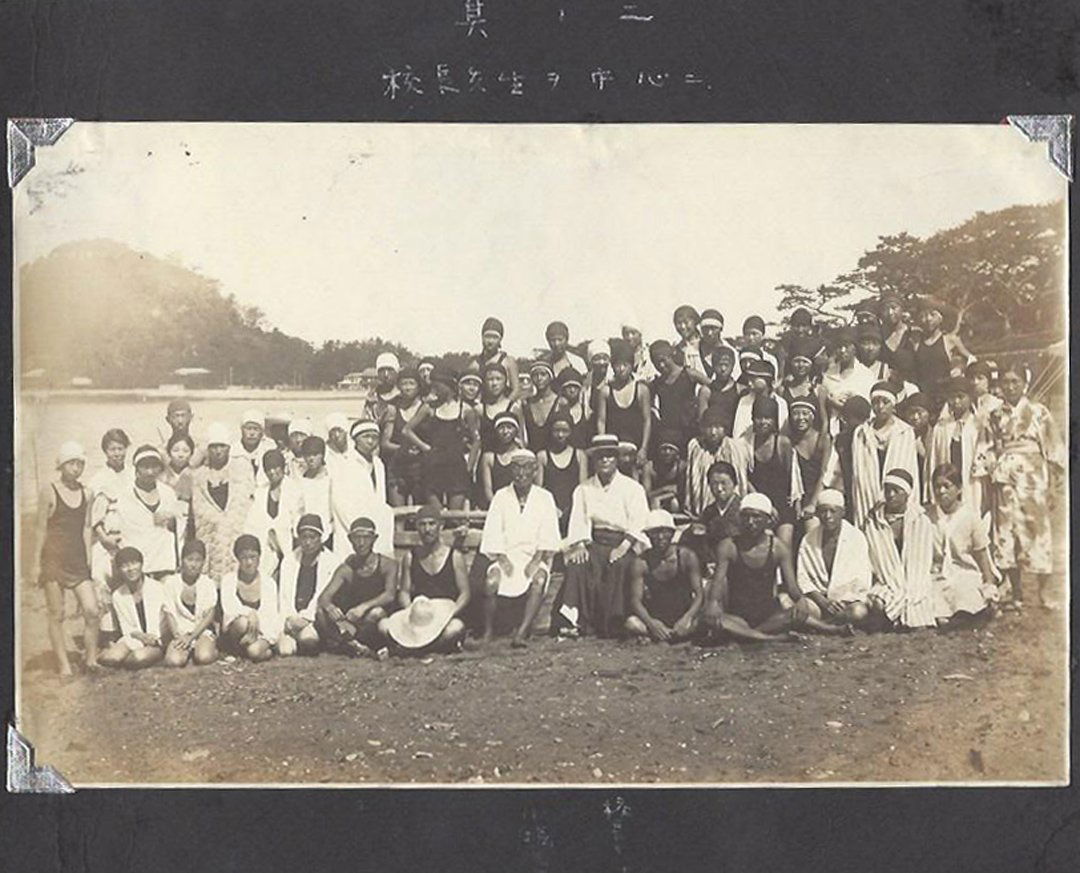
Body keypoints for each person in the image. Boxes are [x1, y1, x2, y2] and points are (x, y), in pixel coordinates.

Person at [975, 362, 1065, 610]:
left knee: (1037, 532)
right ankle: (1017, 593)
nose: (1010, 386)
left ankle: (1044, 593)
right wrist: (990, 468)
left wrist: (1053, 486)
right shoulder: (994, 415)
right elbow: (986, 447)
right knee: (1006, 533)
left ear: (1025, 384)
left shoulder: (1039, 412)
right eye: (1006, 382)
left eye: (1015, 381)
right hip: (1005, 480)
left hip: (1033, 477)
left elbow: (1053, 448)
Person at [555, 434, 650, 638]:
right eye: (600, 457)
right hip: (595, 542)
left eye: (609, 456)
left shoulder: (633, 488)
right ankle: (575, 620)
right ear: (594, 461)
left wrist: (623, 546)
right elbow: (579, 519)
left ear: (617, 459)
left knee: (620, 564)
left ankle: (615, 621)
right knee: (578, 563)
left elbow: (639, 520)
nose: (605, 460)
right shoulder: (583, 489)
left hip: (623, 542)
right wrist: (580, 544)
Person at [479, 449, 562, 646]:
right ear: (511, 471)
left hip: (534, 557)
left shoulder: (545, 497)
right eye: (516, 468)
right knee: (491, 582)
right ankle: (488, 632)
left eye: (526, 468)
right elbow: (493, 531)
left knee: (539, 579)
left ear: (535, 471)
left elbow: (548, 533)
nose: (521, 473)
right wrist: (502, 559)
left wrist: (536, 560)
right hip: (506, 556)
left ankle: (522, 632)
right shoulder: (501, 496)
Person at [32, 441, 99, 675]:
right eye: (71, 463)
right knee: (57, 613)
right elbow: (40, 529)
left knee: (92, 610)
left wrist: (88, 558)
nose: (76, 468)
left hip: (77, 560)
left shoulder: (87, 493)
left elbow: (87, 527)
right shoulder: (49, 491)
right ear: (61, 465)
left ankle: (91, 660)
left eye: (80, 464)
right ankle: (64, 666)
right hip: (53, 560)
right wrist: (35, 564)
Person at [702, 493, 803, 642]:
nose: (750, 522)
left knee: (796, 614)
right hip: (737, 617)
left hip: (768, 617)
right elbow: (717, 585)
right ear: (739, 518)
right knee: (710, 618)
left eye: (756, 517)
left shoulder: (778, 548)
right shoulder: (728, 546)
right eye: (746, 516)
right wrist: (713, 604)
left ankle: (748, 635)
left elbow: (792, 588)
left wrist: (801, 602)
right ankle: (768, 638)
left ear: (768, 520)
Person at [862, 468, 937, 629]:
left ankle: (898, 615)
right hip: (887, 581)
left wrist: (910, 584)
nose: (891, 495)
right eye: (887, 490)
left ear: (907, 494)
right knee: (878, 602)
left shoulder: (920, 520)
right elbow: (874, 560)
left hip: (914, 580)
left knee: (921, 598)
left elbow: (922, 561)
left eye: (896, 490)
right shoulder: (873, 521)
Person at [926, 464, 1000, 625]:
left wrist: (989, 584)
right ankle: (949, 617)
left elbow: (982, 556)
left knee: (965, 595)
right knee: (929, 596)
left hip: (964, 574)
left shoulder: (970, 516)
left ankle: (965, 614)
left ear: (959, 489)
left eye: (947, 486)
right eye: (937, 487)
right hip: (937, 575)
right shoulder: (927, 516)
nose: (941, 491)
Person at [795, 490, 878, 631]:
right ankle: (831, 626)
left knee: (859, 612)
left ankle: (823, 624)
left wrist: (841, 602)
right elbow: (803, 578)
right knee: (800, 608)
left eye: (833, 511)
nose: (828, 516)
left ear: (842, 512)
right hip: (819, 601)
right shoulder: (809, 539)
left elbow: (862, 579)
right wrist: (823, 601)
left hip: (846, 602)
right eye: (823, 511)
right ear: (817, 513)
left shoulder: (856, 537)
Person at [315, 517, 396, 657]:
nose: (361, 543)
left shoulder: (387, 564)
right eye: (356, 538)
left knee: (376, 613)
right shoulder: (346, 569)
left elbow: (390, 595)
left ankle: (352, 645)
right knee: (321, 613)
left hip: (374, 621)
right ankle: (352, 645)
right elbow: (324, 597)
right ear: (350, 539)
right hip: (352, 622)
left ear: (374, 539)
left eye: (366, 537)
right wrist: (330, 607)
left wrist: (364, 607)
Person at [394, 504, 469, 650]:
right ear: (416, 527)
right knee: (383, 626)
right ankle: (431, 646)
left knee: (455, 628)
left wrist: (450, 613)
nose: (427, 529)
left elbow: (465, 593)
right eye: (422, 524)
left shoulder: (454, 556)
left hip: (446, 614)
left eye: (431, 524)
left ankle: (414, 649)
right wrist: (412, 612)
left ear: (441, 526)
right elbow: (404, 591)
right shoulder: (410, 557)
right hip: (420, 614)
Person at [405, 367, 481, 510]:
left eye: (437, 386)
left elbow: (476, 440)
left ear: (449, 386)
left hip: (456, 467)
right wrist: (425, 447)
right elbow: (407, 430)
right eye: (433, 386)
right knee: (437, 513)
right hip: (433, 465)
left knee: (455, 515)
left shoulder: (465, 410)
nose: (434, 390)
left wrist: (469, 466)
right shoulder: (430, 408)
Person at [190, 422, 257, 581]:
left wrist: (230, 523)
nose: (218, 451)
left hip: (236, 536)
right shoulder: (200, 476)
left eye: (222, 446)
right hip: (211, 539)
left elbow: (247, 502)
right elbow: (198, 508)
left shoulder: (241, 469)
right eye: (213, 447)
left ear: (229, 448)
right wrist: (217, 521)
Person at [625, 509, 704, 642]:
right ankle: (664, 634)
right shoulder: (641, 563)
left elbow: (699, 594)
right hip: (658, 617)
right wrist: (651, 623)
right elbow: (635, 600)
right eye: (655, 533)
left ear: (672, 533)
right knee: (631, 623)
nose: (660, 537)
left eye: (665, 532)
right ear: (648, 535)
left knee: (704, 621)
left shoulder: (686, 556)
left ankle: (667, 635)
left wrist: (687, 618)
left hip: (683, 615)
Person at [850, 382, 920, 529]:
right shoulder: (861, 432)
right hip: (868, 493)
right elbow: (858, 472)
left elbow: (910, 469)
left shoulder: (905, 432)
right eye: (876, 402)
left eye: (885, 402)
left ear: (893, 405)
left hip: (895, 494)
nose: (880, 406)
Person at [113, 445, 183, 579]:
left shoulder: (168, 493)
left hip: (164, 564)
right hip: (136, 568)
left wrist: (172, 521)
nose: (150, 472)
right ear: (137, 469)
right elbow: (121, 531)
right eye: (145, 467)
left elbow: (178, 530)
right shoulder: (125, 496)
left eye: (154, 466)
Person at [276, 514, 336, 656]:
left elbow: (322, 594)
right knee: (285, 651)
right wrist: (290, 619)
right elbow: (284, 595)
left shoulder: (331, 561)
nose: (308, 542)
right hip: (291, 618)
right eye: (304, 537)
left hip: (311, 618)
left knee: (309, 640)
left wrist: (305, 618)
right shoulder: (289, 560)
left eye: (312, 537)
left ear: (320, 538)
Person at [98, 547, 166, 670]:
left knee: (137, 658)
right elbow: (126, 628)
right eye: (124, 566)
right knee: (110, 658)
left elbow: (165, 622)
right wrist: (141, 637)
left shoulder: (158, 588)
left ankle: (145, 656)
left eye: (134, 563)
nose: (130, 569)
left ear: (141, 564)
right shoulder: (118, 595)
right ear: (119, 570)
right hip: (135, 638)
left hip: (156, 640)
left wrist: (153, 639)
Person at [87, 427, 132, 604]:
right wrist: (104, 538)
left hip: (130, 535)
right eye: (112, 449)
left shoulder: (133, 474)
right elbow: (93, 516)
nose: (117, 453)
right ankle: (106, 620)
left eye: (120, 448)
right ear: (105, 451)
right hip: (106, 539)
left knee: (130, 582)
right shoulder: (98, 479)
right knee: (102, 578)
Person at [746, 396, 797, 549]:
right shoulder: (746, 444)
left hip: (781, 505)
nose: (763, 422)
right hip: (756, 505)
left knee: (783, 547)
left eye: (768, 418)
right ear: (753, 419)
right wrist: (764, 506)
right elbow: (744, 479)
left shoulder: (782, 443)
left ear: (775, 420)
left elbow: (791, 476)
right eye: (759, 417)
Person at [220, 534, 280, 661]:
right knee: (242, 622)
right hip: (238, 632)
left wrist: (257, 632)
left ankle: (265, 650)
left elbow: (271, 616)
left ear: (259, 557)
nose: (249, 562)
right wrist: (250, 614)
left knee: (254, 652)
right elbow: (229, 609)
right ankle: (237, 650)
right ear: (237, 558)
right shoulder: (228, 580)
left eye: (253, 557)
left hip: (263, 631)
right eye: (244, 558)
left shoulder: (269, 583)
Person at [161, 539, 219, 668]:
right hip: (180, 631)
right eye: (190, 559)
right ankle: (188, 651)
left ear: (203, 562)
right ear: (182, 560)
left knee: (204, 657)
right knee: (173, 661)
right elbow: (169, 613)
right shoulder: (171, 582)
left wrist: (191, 637)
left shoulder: (208, 583)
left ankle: (209, 649)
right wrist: (178, 636)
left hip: (201, 631)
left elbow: (209, 615)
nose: (193, 564)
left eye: (198, 560)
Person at [243, 449, 300, 579]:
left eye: (275, 467)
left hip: (289, 546)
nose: (272, 472)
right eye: (268, 469)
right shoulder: (260, 492)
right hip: (267, 548)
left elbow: (298, 519)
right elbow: (252, 523)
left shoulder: (295, 490)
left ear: (283, 467)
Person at [928, 378, 984, 513]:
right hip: (947, 485)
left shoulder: (978, 426)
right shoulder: (941, 428)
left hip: (970, 483)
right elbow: (933, 461)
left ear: (970, 398)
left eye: (961, 397)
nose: (956, 401)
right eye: (952, 397)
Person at [684, 407, 751, 517]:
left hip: (732, 512)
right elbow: (691, 480)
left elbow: (741, 480)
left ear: (725, 428)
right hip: (702, 511)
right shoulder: (696, 447)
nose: (713, 432)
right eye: (709, 427)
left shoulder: (736, 448)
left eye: (718, 427)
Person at [913, 297, 975, 413]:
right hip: (924, 395)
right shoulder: (916, 342)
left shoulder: (950, 340)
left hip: (945, 396)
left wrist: (960, 369)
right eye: (924, 315)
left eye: (932, 315)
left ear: (940, 318)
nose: (928, 319)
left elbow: (972, 359)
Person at [596, 339, 652, 466]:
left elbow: (647, 420)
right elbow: (601, 421)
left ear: (631, 366)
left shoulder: (642, 390)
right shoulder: (605, 391)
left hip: (636, 446)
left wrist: (644, 449)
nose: (621, 369)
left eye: (625, 365)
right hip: (614, 447)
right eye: (617, 365)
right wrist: (603, 447)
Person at [536, 412, 588, 538]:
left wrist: (572, 510)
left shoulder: (580, 455)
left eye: (565, 431)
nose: (560, 435)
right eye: (556, 430)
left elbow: (583, 489)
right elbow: (538, 490)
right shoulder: (542, 456)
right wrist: (552, 508)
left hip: (574, 511)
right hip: (549, 511)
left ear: (571, 431)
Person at [822, 395, 871, 522]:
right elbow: (831, 471)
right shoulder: (841, 440)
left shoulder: (870, 439)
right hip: (847, 492)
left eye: (851, 418)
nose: (847, 422)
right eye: (846, 418)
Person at [821, 327, 876, 432]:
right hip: (833, 429)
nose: (842, 350)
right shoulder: (828, 374)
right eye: (839, 346)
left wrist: (851, 403)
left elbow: (871, 409)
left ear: (855, 348)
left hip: (859, 430)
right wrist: (830, 401)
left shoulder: (866, 375)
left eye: (846, 346)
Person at [787, 397, 831, 526]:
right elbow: (793, 478)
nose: (800, 418)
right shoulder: (790, 442)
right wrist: (797, 503)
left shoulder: (823, 439)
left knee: (811, 526)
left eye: (805, 413)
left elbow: (824, 473)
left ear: (813, 416)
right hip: (798, 497)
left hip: (819, 495)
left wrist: (813, 504)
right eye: (796, 413)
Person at [649, 340, 697, 454]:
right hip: (668, 434)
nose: (661, 365)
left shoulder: (688, 374)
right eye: (656, 363)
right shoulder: (657, 383)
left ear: (671, 355)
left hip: (689, 430)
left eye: (663, 360)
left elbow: (713, 387)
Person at [731, 358, 787, 440]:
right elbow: (738, 432)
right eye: (749, 379)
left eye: (754, 379)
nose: (749, 383)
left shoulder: (781, 403)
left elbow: (784, 432)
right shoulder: (745, 401)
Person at [478, 362, 526, 453]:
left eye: (498, 379)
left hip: (508, 456)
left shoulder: (514, 408)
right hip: (486, 457)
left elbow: (520, 438)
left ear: (505, 381)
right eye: (490, 379)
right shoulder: (480, 409)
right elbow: (477, 441)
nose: (494, 383)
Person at [479, 411, 523, 508]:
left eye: (509, 427)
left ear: (516, 430)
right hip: (496, 506)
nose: (505, 431)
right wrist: (498, 507)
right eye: (501, 428)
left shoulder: (522, 455)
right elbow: (488, 490)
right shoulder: (488, 458)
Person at [295, 435, 334, 546]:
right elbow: (297, 511)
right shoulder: (300, 481)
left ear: (322, 455)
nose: (311, 459)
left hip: (329, 533)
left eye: (315, 454)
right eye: (307, 455)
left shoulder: (331, 478)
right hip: (307, 536)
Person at [161, 432, 196, 551]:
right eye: (175, 450)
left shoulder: (195, 474)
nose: (180, 455)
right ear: (168, 452)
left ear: (191, 453)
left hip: (189, 523)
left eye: (186, 451)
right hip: (166, 522)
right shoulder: (161, 475)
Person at [696, 345, 741, 438]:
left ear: (733, 366)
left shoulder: (739, 390)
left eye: (726, 365)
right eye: (720, 365)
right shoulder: (706, 391)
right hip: (713, 437)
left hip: (734, 438)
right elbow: (702, 421)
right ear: (713, 366)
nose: (723, 369)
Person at [474, 316, 521, 399]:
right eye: (487, 336)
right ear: (482, 338)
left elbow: (516, 390)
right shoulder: (476, 364)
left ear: (500, 340)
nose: (490, 341)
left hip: (505, 403)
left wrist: (505, 404)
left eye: (495, 337)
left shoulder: (508, 361)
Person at [641, 429, 686, 512]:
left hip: (675, 502)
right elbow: (645, 495)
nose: (667, 452)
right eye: (664, 449)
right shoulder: (650, 467)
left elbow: (683, 493)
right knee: (655, 502)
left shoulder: (682, 467)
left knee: (674, 503)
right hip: (654, 503)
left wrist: (664, 496)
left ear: (677, 454)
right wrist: (664, 489)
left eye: (671, 449)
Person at [524, 359, 561, 454]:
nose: (539, 378)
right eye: (535, 375)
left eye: (543, 374)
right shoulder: (527, 403)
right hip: (532, 454)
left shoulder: (560, 402)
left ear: (550, 377)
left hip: (554, 455)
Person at [232, 409, 276, 488]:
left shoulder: (269, 448)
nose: (252, 433)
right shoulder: (233, 451)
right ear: (242, 430)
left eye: (256, 429)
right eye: (248, 428)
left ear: (261, 432)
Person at [155, 399, 205, 468]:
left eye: (183, 416)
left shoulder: (201, 448)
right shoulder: (162, 450)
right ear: (168, 419)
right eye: (175, 416)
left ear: (191, 417)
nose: (180, 421)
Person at [553, 368, 592, 450]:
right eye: (568, 387)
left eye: (575, 387)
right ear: (562, 389)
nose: (572, 390)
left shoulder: (585, 409)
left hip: (582, 452)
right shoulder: (557, 409)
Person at [672, 305, 709, 384]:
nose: (682, 327)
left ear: (695, 322)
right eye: (678, 323)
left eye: (686, 322)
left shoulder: (705, 344)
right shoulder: (677, 350)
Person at [365, 351, 402, 425]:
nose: (386, 374)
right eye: (382, 370)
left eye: (390, 370)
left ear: (397, 372)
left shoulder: (403, 395)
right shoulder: (372, 396)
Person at [583, 339, 612, 420]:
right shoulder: (586, 380)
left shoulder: (614, 379)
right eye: (597, 358)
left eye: (605, 358)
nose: (601, 362)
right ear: (590, 361)